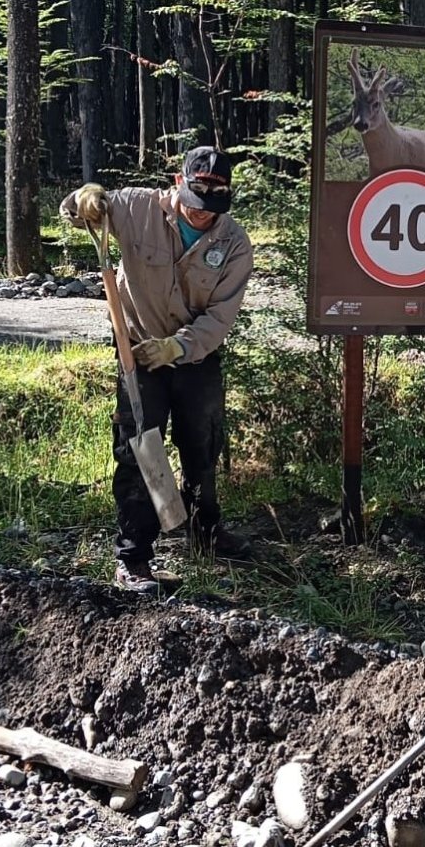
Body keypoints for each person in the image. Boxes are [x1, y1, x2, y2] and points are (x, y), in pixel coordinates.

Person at [60, 146, 254, 594]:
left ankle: (205, 532)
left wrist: (177, 347)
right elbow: (75, 213)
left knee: (203, 446)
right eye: (195, 203)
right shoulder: (133, 208)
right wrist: (83, 198)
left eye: (213, 207)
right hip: (137, 357)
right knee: (137, 451)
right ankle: (133, 559)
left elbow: (220, 317)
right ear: (177, 182)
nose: (202, 215)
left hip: (195, 359)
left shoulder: (234, 243)